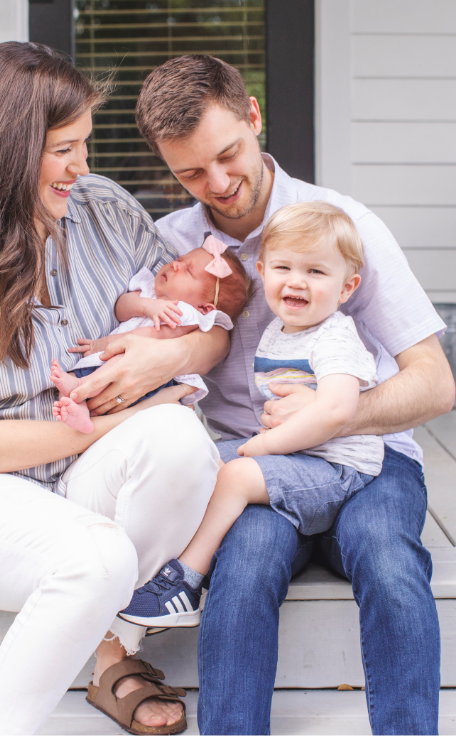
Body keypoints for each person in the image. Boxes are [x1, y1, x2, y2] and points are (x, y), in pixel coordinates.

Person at [0, 43, 228, 736]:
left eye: (85, 145)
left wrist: (165, 363)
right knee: (97, 554)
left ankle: (112, 645)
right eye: (64, 149)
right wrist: (118, 421)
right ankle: (106, 661)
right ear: (5, 151)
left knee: (180, 440)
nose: (82, 167)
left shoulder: (101, 208)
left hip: (76, 480)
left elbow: (205, 324)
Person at [127, 54, 456, 735]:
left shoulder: (340, 224)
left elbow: (433, 382)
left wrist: (330, 416)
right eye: (190, 172)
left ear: (253, 117)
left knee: (389, 560)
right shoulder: (172, 251)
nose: (216, 184)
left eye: (228, 155)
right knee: (242, 570)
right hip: (255, 474)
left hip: (367, 459)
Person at [119, 201, 384, 629]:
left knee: (237, 474)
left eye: (315, 272)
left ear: (346, 288)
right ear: (262, 271)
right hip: (296, 460)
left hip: (337, 468)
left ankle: (184, 580)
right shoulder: (279, 332)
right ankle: (142, 559)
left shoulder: (335, 337)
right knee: (196, 458)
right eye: (284, 268)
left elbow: (337, 410)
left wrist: (261, 447)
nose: (297, 281)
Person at [51, 237, 250, 432]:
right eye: (180, 260)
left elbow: (148, 338)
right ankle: (80, 414)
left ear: (205, 308)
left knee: (118, 363)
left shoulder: (187, 314)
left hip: (148, 378)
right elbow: (121, 307)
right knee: (73, 382)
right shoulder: (150, 292)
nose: (174, 265)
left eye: (188, 270)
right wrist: (147, 306)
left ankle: (79, 388)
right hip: (119, 369)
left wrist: (101, 344)